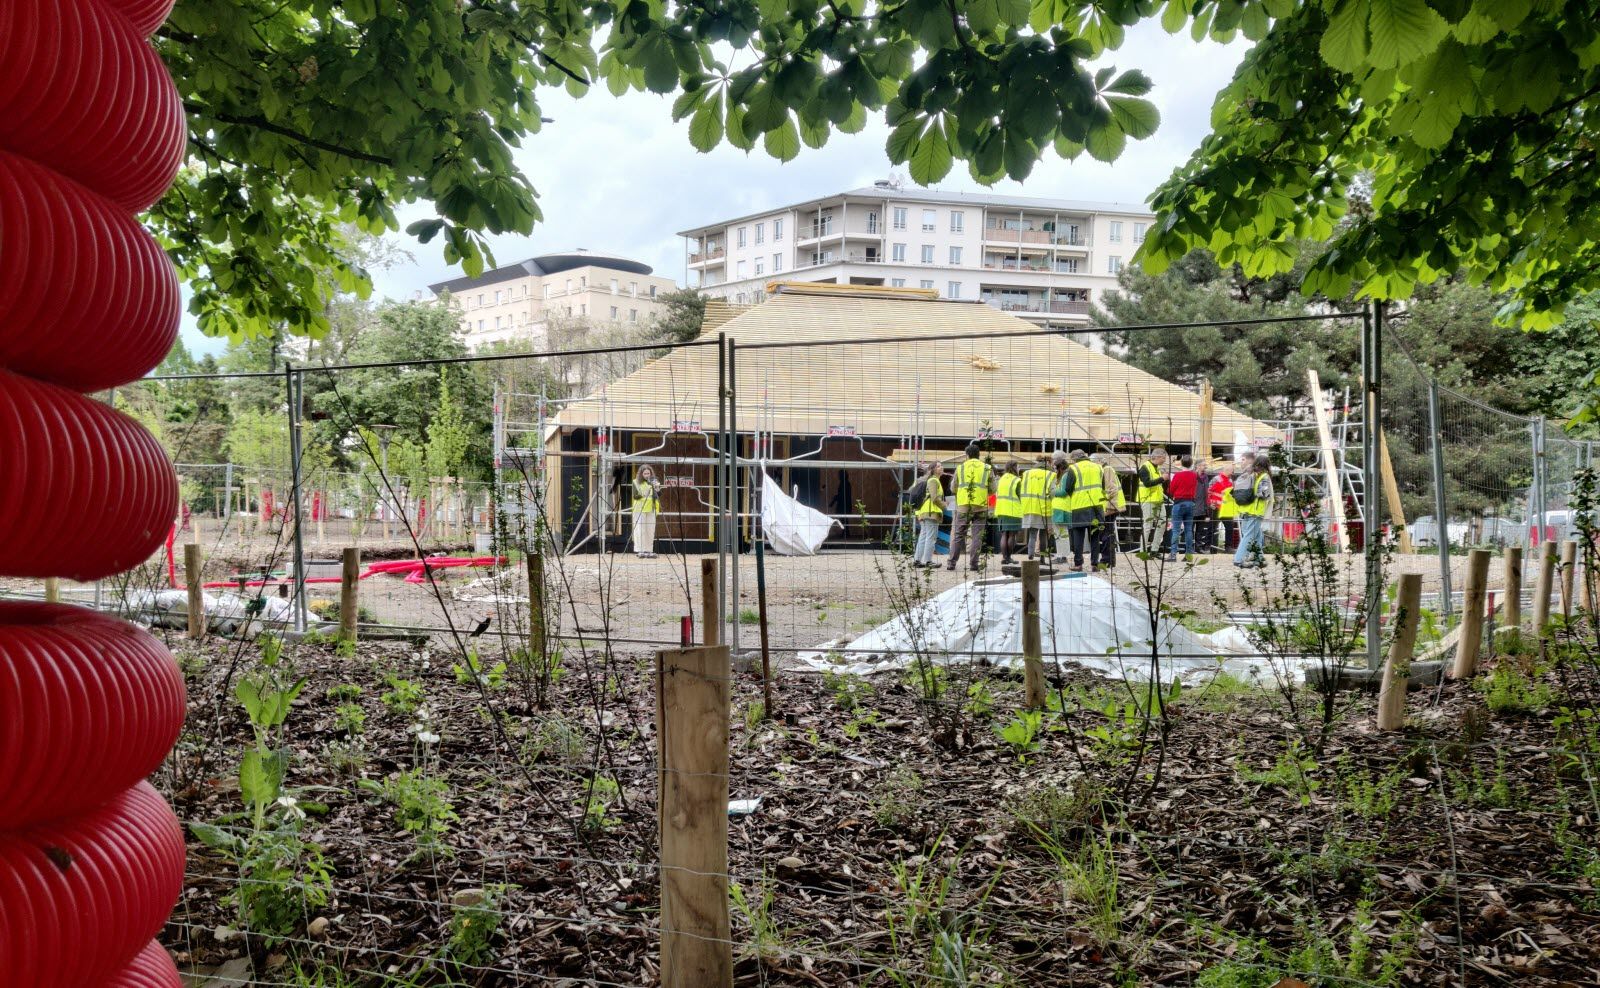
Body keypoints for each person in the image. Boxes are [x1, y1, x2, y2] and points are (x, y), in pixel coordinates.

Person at [946, 444, 994, 572]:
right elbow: (993, 489)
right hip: (981, 506)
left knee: (958, 535)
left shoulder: (960, 468)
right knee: (977, 536)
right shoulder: (987, 468)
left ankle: (951, 563)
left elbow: (953, 488)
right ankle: (974, 564)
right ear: (979, 455)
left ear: (967, 455)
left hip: (963, 506)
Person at [1057, 450, 1107, 571]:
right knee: (1094, 537)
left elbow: (1068, 489)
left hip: (1079, 506)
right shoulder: (1099, 467)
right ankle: (1095, 564)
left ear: (1074, 459)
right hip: (1097, 506)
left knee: (1078, 537)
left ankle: (1078, 564)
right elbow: (1103, 486)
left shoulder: (1073, 468)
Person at [1233, 454, 1273, 568]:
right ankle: (1239, 559)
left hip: (1245, 509)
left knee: (1257, 536)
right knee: (1249, 536)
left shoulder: (1250, 473)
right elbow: (1263, 494)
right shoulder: (1263, 476)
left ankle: (1259, 559)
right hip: (1256, 511)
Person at [1095, 453, 1126, 569]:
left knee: (1106, 534)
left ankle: (1106, 560)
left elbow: (1111, 490)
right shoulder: (1108, 469)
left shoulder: (1106, 469)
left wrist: (1106, 505)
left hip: (1110, 507)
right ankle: (1110, 560)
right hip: (1112, 506)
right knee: (1109, 533)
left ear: (1098, 461)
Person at [911, 462, 946, 568]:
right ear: (933, 470)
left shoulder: (931, 480)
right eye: (939, 466)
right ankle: (928, 561)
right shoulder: (933, 480)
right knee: (931, 537)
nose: (942, 467)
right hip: (931, 512)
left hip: (925, 512)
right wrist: (945, 505)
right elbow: (934, 498)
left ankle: (917, 560)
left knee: (924, 536)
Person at [1166, 454, 1200, 560]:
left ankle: (1173, 554)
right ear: (1191, 464)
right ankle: (1189, 555)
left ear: (1181, 463)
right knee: (1189, 530)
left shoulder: (1177, 476)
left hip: (1179, 503)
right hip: (1190, 503)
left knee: (1176, 530)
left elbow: (1170, 491)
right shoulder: (1194, 475)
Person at [1019, 456, 1054, 559]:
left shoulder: (1026, 474)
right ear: (1047, 463)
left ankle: (1030, 556)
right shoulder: (1050, 475)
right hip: (1044, 508)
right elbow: (1052, 493)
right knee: (1043, 535)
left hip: (1029, 507)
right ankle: (1042, 558)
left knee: (1032, 534)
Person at [1136, 448, 1169, 554]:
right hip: (1147, 500)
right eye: (1164, 458)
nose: (1164, 460)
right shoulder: (1145, 467)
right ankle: (1143, 551)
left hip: (1158, 500)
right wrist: (1162, 479)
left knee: (1162, 523)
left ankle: (1155, 549)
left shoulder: (1157, 468)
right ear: (1158, 457)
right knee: (1148, 526)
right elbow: (1147, 483)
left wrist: (1162, 479)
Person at [994, 461, 1023, 564]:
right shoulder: (1017, 480)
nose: (1019, 468)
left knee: (1004, 534)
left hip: (1001, 510)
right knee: (1012, 535)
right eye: (1018, 466)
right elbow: (1021, 496)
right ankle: (1009, 557)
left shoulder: (1001, 479)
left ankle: (1004, 558)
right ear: (1014, 467)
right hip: (1013, 511)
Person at [632, 466, 660, 558]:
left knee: (650, 530)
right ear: (641, 474)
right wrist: (644, 493)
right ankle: (640, 550)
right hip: (639, 509)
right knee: (640, 529)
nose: (647, 475)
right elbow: (635, 496)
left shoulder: (653, 482)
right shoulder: (635, 482)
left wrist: (657, 488)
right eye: (645, 474)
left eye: (649, 473)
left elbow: (658, 495)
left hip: (651, 508)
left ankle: (649, 550)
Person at [1048, 450, 1071, 564]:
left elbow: (1063, 492)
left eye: (1056, 467)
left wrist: (1053, 492)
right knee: (1060, 533)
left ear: (1060, 467)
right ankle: (1062, 555)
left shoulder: (1065, 476)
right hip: (1059, 508)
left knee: (1061, 534)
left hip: (1062, 508)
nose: (1054, 469)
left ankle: (1062, 556)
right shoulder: (1062, 476)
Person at [1207, 466, 1234, 553]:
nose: (1232, 473)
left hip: (1226, 508)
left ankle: (1228, 547)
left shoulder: (1230, 481)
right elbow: (1208, 491)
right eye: (1231, 471)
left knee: (1229, 527)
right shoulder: (1216, 479)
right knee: (1213, 528)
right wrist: (1210, 503)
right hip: (1215, 507)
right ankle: (1212, 548)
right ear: (1225, 470)